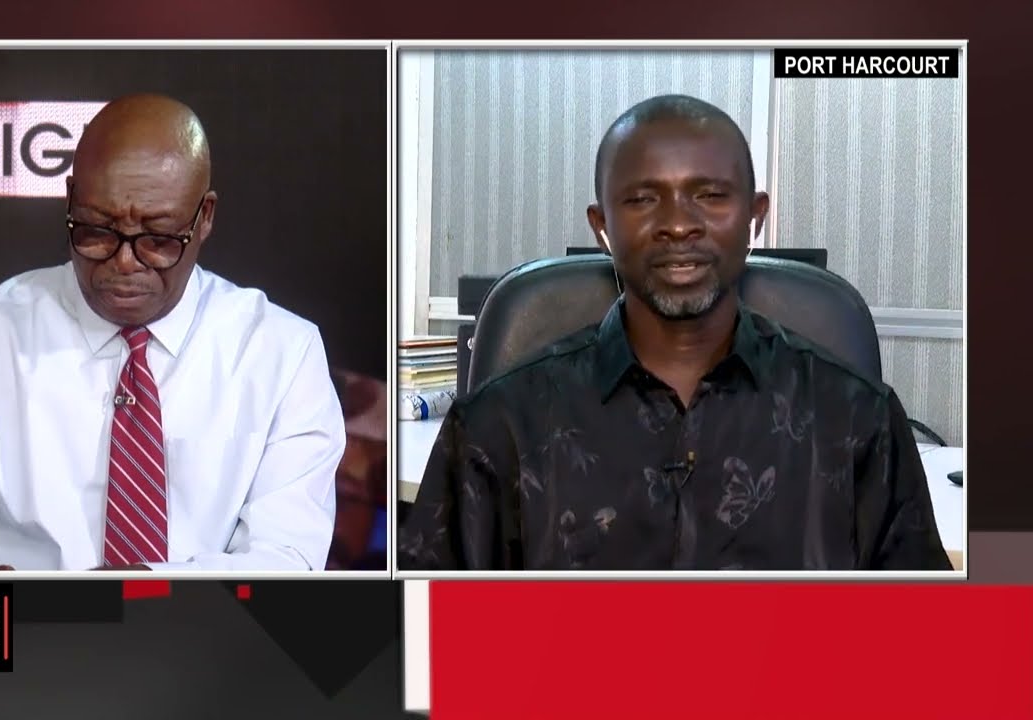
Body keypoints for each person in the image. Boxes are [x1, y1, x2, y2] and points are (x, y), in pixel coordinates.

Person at [398, 94, 951, 572]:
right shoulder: (499, 426)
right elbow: (428, 654)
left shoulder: (857, 420)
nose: (678, 223)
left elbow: (920, 656)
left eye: (710, 195)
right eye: (641, 199)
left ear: (754, 216)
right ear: (602, 226)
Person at [0, 94, 346, 571]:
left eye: (159, 239)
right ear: (70, 202)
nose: (125, 262)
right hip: (26, 640)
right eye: (96, 231)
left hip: (204, 641)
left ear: (204, 217)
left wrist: (127, 601)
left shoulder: (283, 354)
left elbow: (287, 561)